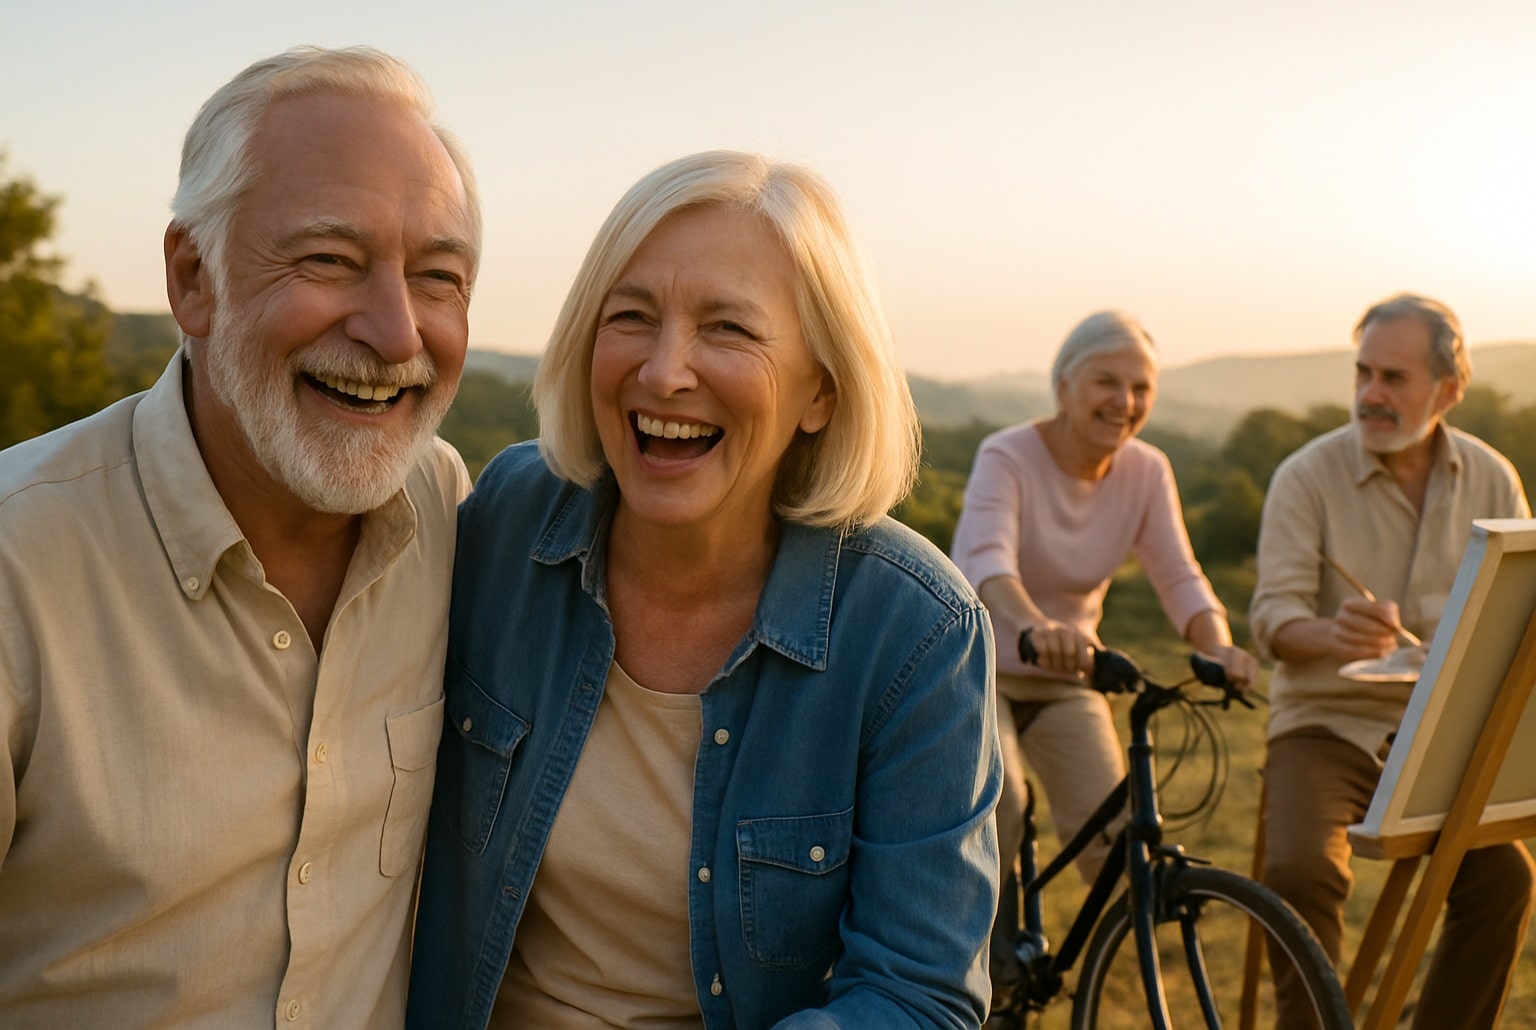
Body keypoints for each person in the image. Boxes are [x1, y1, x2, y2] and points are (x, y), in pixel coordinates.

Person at [407, 151, 1001, 1028]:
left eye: (728, 329)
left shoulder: (915, 634)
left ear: (822, 392)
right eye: (632, 317)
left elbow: (916, 996)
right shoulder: (503, 522)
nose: (664, 371)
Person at [0, 47, 479, 1025]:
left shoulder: (449, 510)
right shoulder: (18, 566)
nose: (396, 332)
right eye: (329, 260)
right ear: (193, 278)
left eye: (438, 277)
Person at [1251, 292, 1534, 1028]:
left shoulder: (1492, 477)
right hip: (1322, 723)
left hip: (1439, 731)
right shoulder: (1304, 476)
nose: (1370, 395)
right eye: (1363, 373)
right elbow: (1270, 619)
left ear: (1449, 389)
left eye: (1393, 379)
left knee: (1505, 881)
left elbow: (1515, 617)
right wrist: (1329, 634)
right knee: (1299, 871)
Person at [951, 311, 1257, 897]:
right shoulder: (1007, 456)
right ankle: (970, 965)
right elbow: (987, 563)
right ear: (1064, 386)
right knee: (999, 807)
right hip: (976, 664)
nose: (1125, 400)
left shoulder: (1147, 471)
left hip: (1069, 674)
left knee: (1116, 840)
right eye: (1106, 382)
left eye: (1141, 387)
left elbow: (1180, 577)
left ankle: (1087, 966)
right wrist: (1036, 626)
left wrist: (1219, 646)